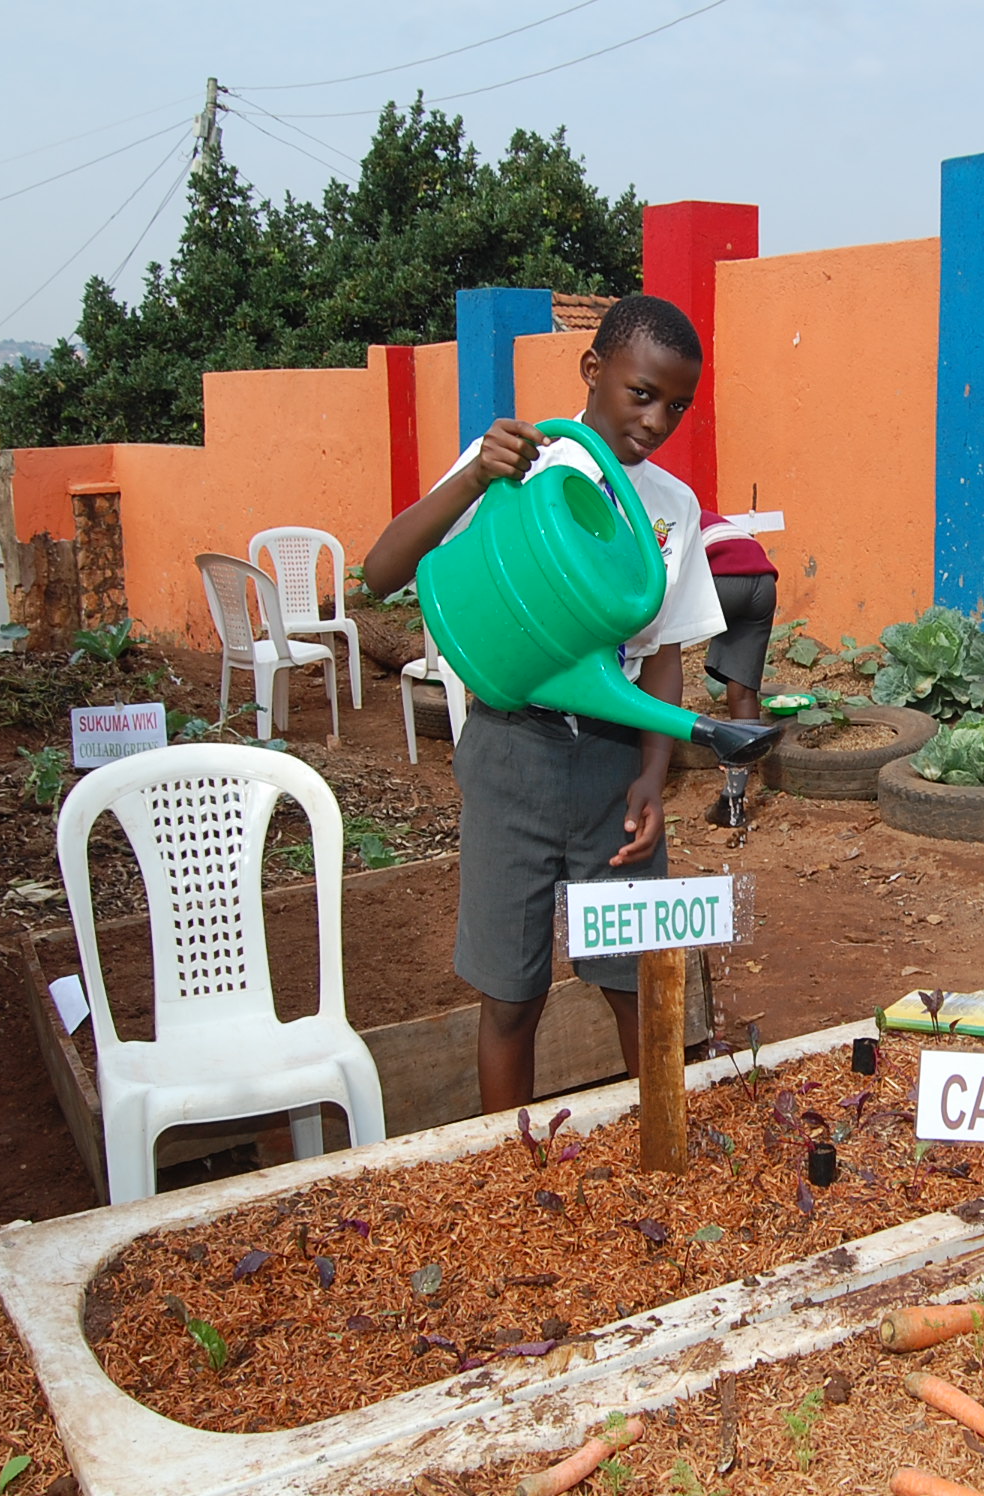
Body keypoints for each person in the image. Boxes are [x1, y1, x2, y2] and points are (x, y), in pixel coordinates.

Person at [360, 294, 725, 1114]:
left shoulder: (670, 508)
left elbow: (664, 656)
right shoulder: (520, 465)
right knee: (510, 993)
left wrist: (654, 774)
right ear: (593, 371)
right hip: (510, 754)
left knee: (638, 981)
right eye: (642, 393)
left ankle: (660, 1156)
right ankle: (512, 1172)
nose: (659, 419)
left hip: (612, 767)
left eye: (678, 405)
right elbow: (380, 572)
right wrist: (473, 478)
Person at [698, 505, 779, 825]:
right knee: (743, 691)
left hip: (720, 579)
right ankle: (733, 802)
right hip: (762, 581)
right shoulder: (689, 506)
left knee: (656, 659)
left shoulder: (643, 512)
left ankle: (646, 784)